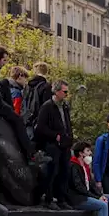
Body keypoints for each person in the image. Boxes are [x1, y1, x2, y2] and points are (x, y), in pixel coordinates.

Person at [33, 81, 73, 209]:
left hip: (65, 144)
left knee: (65, 171)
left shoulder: (65, 106)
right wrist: (54, 135)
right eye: (64, 91)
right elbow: (40, 127)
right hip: (52, 145)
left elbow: (67, 123)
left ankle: (61, 199)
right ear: (56, 91)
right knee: (52, 171)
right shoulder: (47, 106)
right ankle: (48, 199)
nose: (66, 94)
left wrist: (69, 137)